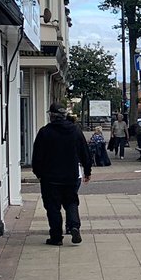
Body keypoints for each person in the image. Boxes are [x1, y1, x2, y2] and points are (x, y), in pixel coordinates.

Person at [31, 103, 93, 245]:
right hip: (71, 175)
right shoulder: (75, 130)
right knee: (71, 202)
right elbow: (84, 152)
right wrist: (87, 171)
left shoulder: (45, 132)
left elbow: (37, 156)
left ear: (51, 116)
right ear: (65, 115)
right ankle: (74, 226)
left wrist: (38, 173)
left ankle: (56, 237)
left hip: (50, 177)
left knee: (53, 207)